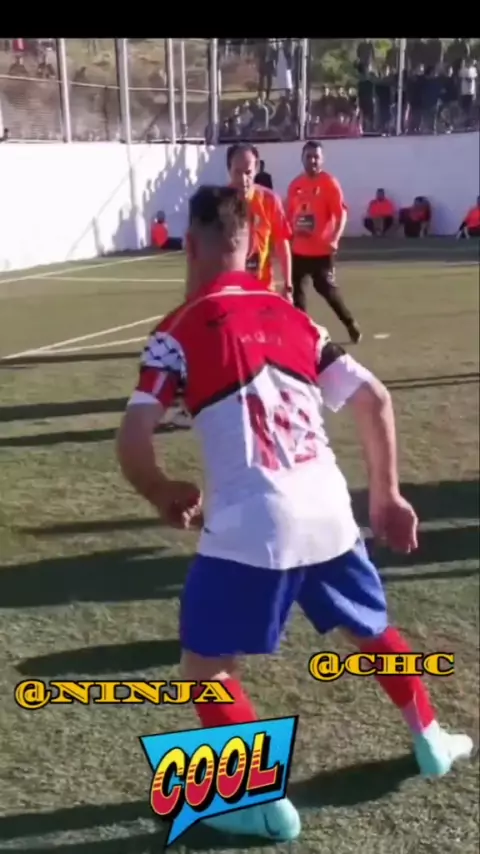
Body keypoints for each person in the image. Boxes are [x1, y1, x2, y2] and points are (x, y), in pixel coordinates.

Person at [116, 185, 473, 844]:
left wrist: (161, 489)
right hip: (330, 509)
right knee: (373, 631)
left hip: (252, 523)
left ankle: (260, 802)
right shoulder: (295, 318)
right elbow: (375, 399)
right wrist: (386, 496)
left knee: (208, 668)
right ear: (254, 245)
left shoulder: (175, 331)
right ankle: (430, 738)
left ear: (189, 245)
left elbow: (133, 436)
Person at [285, 140, 362, 343]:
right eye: (308, 157)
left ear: (322, 159)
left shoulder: (329, 183)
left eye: (316, 157)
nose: (312, 161)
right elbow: (289, 215)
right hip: (298, 250)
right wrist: (289, 234)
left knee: (327, 290)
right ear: (302, 159)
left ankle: (350, 323)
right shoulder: (295, 185)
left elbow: (341, 213)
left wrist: (335, 238)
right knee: (297, 294)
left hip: (321, 251)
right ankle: (302, 333)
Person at [227, 142, 292, 297]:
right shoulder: (220, 203)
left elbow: (281, 243)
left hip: (263, 290)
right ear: (229, 169)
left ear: (256, 169)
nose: (243, 179)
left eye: (248, 172)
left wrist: (288, 285)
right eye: (237, 172)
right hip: (231, 292)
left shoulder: (270, 200)